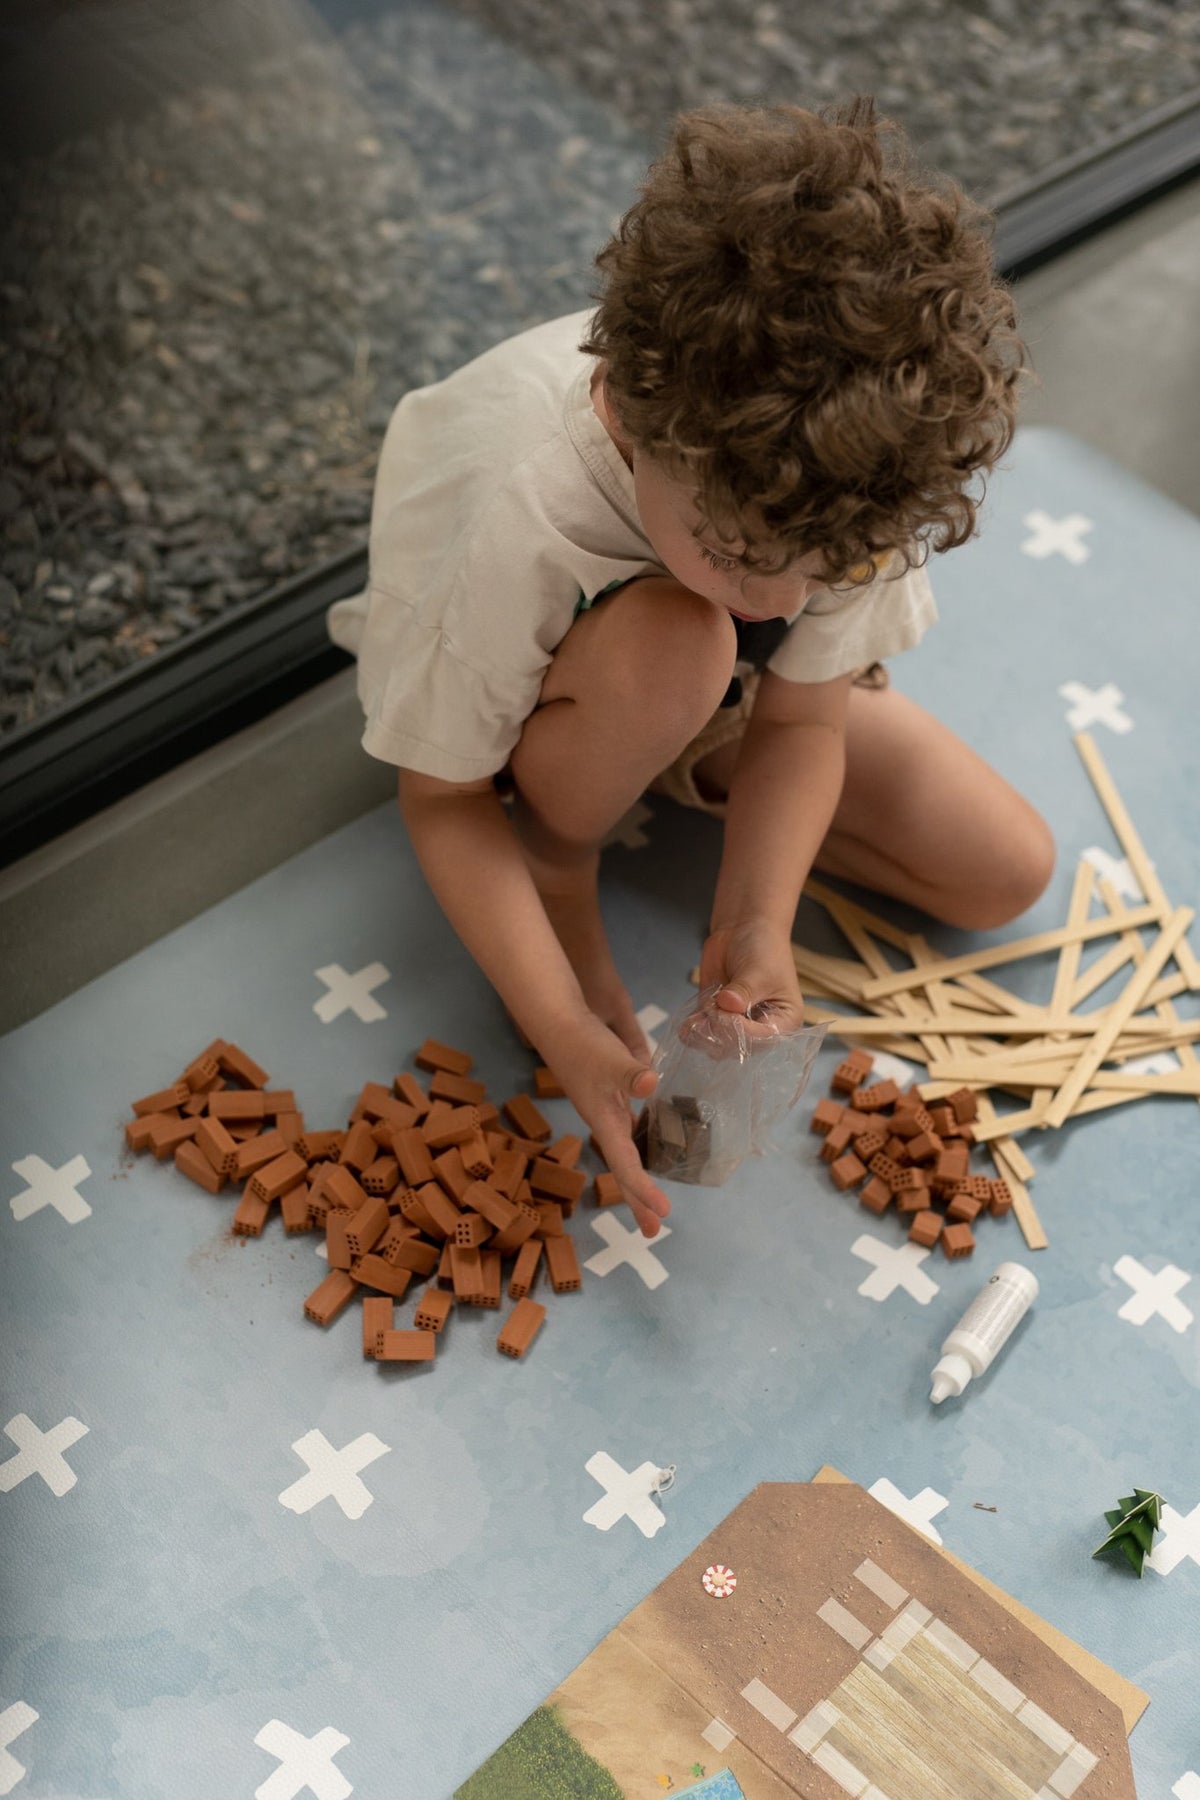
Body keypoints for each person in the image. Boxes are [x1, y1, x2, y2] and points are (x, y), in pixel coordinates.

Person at [328, 97, 1055, 1239]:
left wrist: (757, 918)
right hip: (535, 693)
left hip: (703, 685)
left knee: (1002, 873)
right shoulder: (526, 505)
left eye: (825, 571)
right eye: (741, 556)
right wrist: (558, 1015)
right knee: (685, 640)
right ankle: (560, 850)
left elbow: (802, 723)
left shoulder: (845, 482)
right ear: (634, 415)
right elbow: (442, 797)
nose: (788, 601)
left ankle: (671, 756)